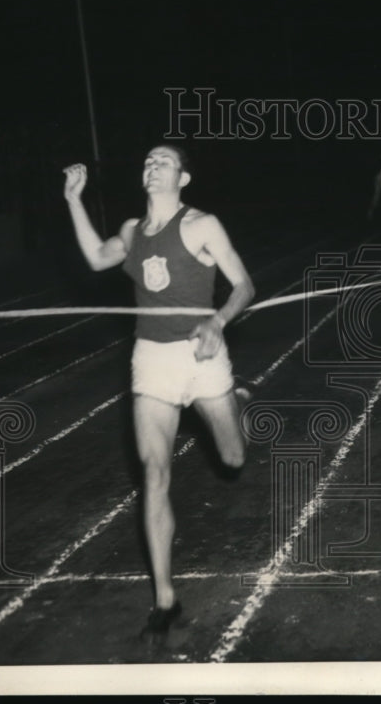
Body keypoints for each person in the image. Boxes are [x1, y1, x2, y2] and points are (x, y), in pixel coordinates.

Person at [63, 145, 255, 638]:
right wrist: (73, 200)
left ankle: (233, 401)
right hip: (151, 360)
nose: (152, 166)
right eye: (147, 160)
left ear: (183, 177)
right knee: (154, 472)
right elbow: (95, 257)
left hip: (202, 354)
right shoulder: (131, 231)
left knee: (233, 458)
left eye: (163, 161)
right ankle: (165, 597)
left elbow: (244, 286)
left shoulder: (201, 224)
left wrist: (217, 320)